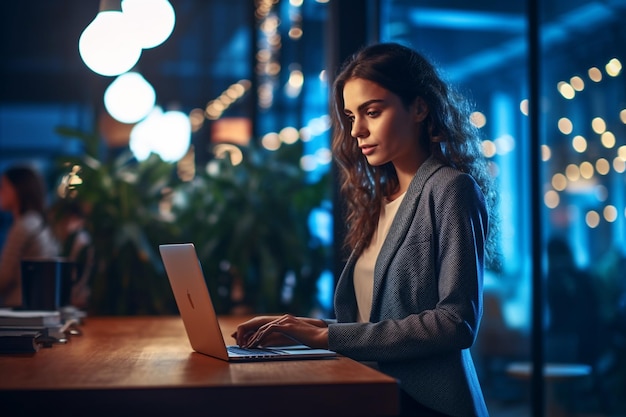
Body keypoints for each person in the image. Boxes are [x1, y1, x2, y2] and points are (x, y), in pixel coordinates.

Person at [232, 43, 498, 417]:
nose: (357, 130)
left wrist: (327, 336)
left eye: (372, 112)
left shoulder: (450, 189)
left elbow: (456, 323)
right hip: (375, 394)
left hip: (427, 405)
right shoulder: (380, 199)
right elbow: (374, 324)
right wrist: (294, 328)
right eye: (350, 115)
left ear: (420, 108)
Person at [0, 165, 59, 307]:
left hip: (20, 308)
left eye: (3, 187)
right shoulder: (36, 221)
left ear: (17, 190)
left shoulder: (23, 225)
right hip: (36, 304)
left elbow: (4, 277)